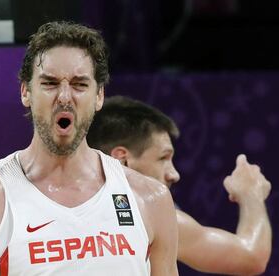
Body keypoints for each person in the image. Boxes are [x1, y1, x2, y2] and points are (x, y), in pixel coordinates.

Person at [0, 22, 179, 275]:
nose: (64, 97)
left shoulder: (150, 199)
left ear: (99, 96)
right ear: (25, 92)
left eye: (80, 84)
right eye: (50, 83)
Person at [87, 95, 272, 275]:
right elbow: (252, 256)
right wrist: (251, 194)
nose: (174, 174)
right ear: (122, 160)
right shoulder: (150, 214)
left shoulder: (64, 207)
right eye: (163, 158)